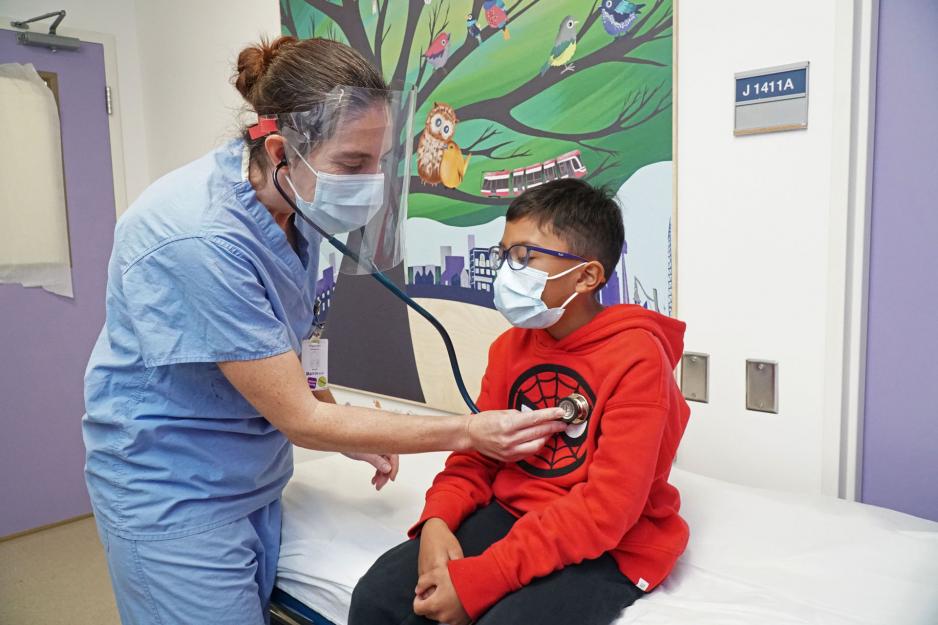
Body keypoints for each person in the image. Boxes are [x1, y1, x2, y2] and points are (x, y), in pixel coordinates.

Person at [81, 36, 565, 625]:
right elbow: (298, 418)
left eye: (380, 159)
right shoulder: (202, 238)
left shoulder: (293, 208)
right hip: (172, 487)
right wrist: (464, 432)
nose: (371, 180)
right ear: (282, 150)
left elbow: (296, 344)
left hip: (250, 477)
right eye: (352, 164)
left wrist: (344, 426)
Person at [350, 179, 691, 625]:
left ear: (587, 276)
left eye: (525, 257)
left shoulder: (638, 360)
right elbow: (476, 456)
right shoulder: (511, 347)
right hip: (513, 514)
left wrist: (485, 576)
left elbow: (608, 510)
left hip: (612, 544)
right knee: (376, 598)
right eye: (504, 253)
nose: (506, 271)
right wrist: (437, 522)